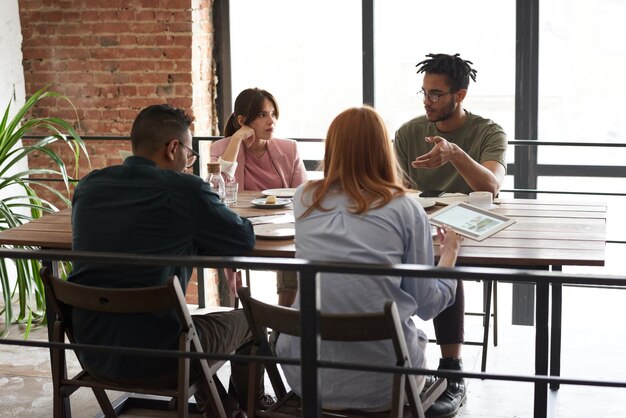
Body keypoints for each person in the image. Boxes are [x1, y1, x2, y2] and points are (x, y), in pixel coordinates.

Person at [68, 104, 266, 418]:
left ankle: (222, 409)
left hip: (94, 352)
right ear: (173, 148)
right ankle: (244, 412)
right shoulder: (182, 189)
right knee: (250, 320)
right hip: (161, 356)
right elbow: (243, 240)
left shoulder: (89, 187)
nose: (189, 163)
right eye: (189, 154)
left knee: (185, 325)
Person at [275, 106, 462, 411]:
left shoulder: (304, 198)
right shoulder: (404, 208)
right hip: (387, 379)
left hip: (307, 375)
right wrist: (450, 253)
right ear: (382, 149)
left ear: (332, 147)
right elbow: (427, 306)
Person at [394, 53, 507, 418]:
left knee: (448, 256)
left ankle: (451, 368)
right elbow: (394, 189)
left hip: (466, 228)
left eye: (436, 94)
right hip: (418, 225)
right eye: (424, 92)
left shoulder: (488, 132)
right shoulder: (409, 132)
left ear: (459, 96)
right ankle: (392, 351)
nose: (427, 100)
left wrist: (455, 154)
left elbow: (490, 187)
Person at [211, 88, 307, 306]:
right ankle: (251, 323)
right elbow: (221, 190)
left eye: (273, 114)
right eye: (263, 115)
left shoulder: (289, 148)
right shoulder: (221, 148)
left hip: (281, 229)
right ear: (243, 120)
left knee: (296, 251)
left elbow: (302, 195)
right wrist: (236, 140)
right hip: (241, 227)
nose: (271, 121)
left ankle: (283, 322)